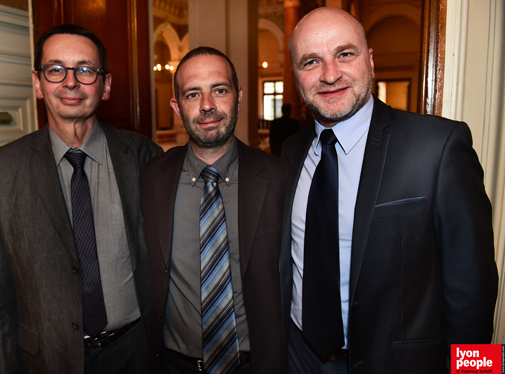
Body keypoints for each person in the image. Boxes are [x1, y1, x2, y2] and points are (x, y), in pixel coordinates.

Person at [280, 7, 498, 374]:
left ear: (370, 61)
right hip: (300, 359)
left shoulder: (438, 147)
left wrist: (474, 371)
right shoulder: (291, 151)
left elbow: (473, 295)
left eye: (345, 54)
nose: (330, 74)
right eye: (311, 62)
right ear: (296, 77)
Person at [0, 24, 162, 374]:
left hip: (135, 353)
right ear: (38, 83)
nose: (71, 82)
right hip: (47, 359)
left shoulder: (143, 156)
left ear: (106, 86)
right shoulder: (1, 169)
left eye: (86, 70)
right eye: (56, 69)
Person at [141, 46, 287, 374]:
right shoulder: (151, 178)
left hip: (256, 363)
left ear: (238, 96)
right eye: (193, 94)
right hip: (173, 365)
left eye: (219, 90)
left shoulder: (279, 177)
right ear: (177, 107)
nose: (207, 105)